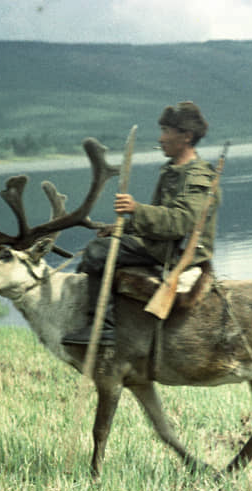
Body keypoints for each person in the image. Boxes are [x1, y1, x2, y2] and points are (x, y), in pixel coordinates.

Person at [62, 101, 220, 346]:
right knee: (104, 242)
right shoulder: (173, 170)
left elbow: (181, 222)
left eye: (167, 131)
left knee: (97, 252)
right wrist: (123, 227)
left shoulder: (196, 176)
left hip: (178, 252)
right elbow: (161, 217)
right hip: (163, 243)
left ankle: (102, 327)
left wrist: (136, 209)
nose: (161, 138)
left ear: (186, 136)